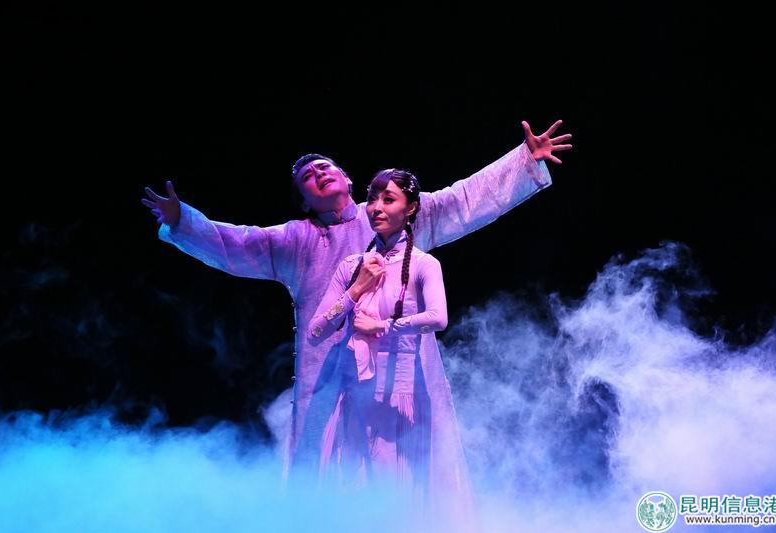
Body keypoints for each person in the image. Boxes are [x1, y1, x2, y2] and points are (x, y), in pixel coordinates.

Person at [141, 120, 572, 477]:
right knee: (332, 470)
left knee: (407, 466)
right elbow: (237, 243)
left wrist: (523, 161)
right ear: (304, 201)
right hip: (332, 372)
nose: (318, 174)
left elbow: (461, 200)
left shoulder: (395, 214)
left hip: (399, 367)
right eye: (307, 178)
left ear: (348, 179)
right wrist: (184, 222)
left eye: (325, 167)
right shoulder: (295, 240)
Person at [307, 169, 469, 517]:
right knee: (352, 497)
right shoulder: (352, 266)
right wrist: (356, 289)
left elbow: (438, 318)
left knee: (398, 495)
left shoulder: (424, 264)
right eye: (371, 199)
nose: (376, 208)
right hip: (354, 395)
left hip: (401, 397)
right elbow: (315, 332)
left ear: (410, 208)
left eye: (388, 199)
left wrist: (382, 325)